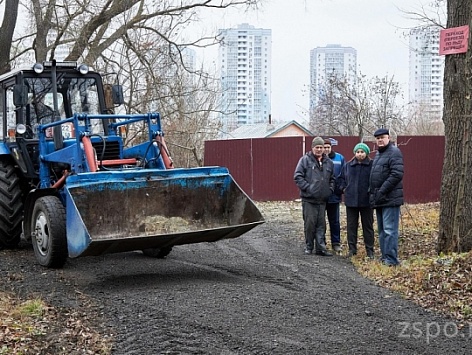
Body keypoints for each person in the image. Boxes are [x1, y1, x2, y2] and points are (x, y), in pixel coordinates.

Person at [294, 136, 335, 256]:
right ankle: (309, 246)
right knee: (309, 224)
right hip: (309, 199)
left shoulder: (329, 162)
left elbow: (332, 178)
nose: (319, 149)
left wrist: (330, 190)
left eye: (321, 147)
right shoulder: (304, 160)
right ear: (312, 148)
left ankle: (321, 248)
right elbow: (298, 176)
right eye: (317, 147)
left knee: (321, 225)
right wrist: (308, 188)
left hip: (322, 199)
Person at [369, 128, 404, 266]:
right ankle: (385, 257)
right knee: (382, 231)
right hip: (379, 199)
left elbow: (397, 174)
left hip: (390, 198)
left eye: (382, 137)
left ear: (388, 138)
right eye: (378, 138)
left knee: (390, 230)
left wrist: (382, 191)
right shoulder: (378, 154)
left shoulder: (394, 152)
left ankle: (391, 260)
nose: (380, 140)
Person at [338, 143, 374, 258]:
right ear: (355, 153)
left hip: (366, 201)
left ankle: (370, 251)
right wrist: (344, 189)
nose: (360, 154)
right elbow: (341, 179)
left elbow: (375, 180)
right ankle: (352, 250)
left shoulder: (371, 165)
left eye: (362, 152)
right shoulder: (348, 165)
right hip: (351, 201)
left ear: (366, 153)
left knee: (367, 226)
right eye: (358, 152)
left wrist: (371, 192)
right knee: (351, 226)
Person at [323, 138, 345, 252]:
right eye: (324, 147)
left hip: (334, 196)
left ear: (331, 147)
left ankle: (336, 243)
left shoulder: (339, 158)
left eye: (328, 147)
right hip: (321, 196)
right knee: (321, 221)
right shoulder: (319, 159)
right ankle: (322, 242)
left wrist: (340, 189)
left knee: (334, 221)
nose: (326, 149)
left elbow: (344, 175)